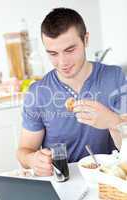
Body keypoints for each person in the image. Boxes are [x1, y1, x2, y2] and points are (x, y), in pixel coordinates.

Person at [17, 7, 127, 177]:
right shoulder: (38, 93)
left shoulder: (114, 77)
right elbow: (24, 151)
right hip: (63, 182)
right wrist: (33, 160)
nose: (62, 63)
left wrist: (114, 122)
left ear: (86, 39)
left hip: (109, 181)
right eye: (53, 53)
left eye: (69, 50)